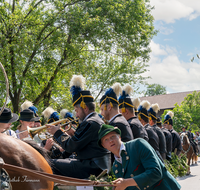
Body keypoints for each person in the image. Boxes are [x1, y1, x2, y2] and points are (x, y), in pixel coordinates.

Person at [47, 75, 111, 179]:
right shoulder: (94, 120)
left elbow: (71, 146)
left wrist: (57, 132)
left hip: (93, 166)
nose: (76, 115)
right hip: (93, 164)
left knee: (46, 164)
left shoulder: (90, 122)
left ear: (84, 107)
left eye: (77, 111)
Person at [98, 124, 181, 190]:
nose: (111, 141)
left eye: (112, 136)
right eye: (106, 140)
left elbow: (156, 172)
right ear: (103, 145)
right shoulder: (115, 167)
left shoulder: (138, 144)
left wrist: (126, 182)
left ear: (119, 137)